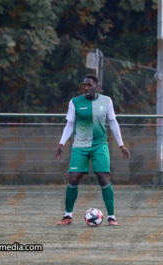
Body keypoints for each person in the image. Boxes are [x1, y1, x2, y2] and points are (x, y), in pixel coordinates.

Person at [55, 74, 130, 226]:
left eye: (89, 85)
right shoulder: (75, 102)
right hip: (79, 147)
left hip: (99, 146)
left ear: (96, 86)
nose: (86, 87)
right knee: (73, 178)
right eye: (84, 85)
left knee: (104, 178)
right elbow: (70, 124)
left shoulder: (106, 101)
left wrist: (121, 145)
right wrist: (61, 144)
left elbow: (113, 122)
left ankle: (111, 217)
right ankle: (67, 216)